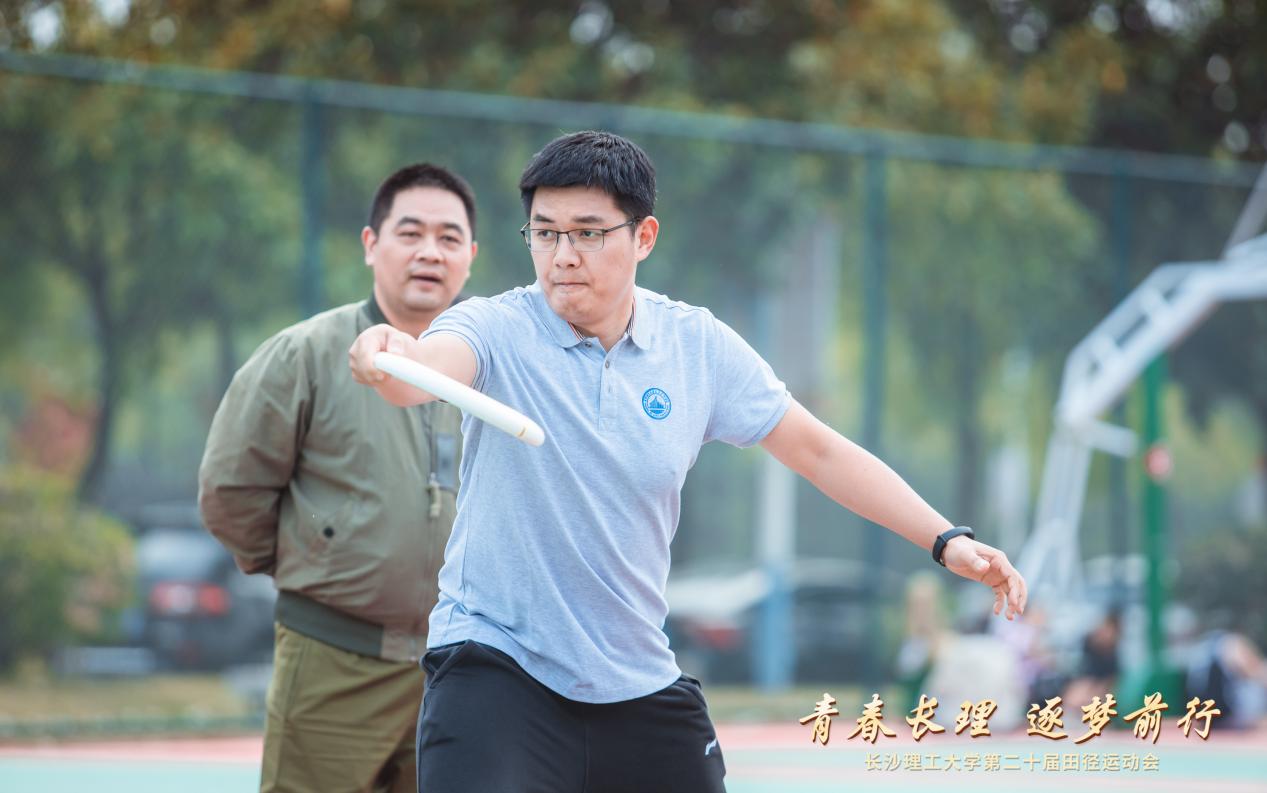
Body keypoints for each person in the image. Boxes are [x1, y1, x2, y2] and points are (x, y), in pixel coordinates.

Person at [348, 131, 1027, 793]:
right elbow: (422, 372)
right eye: (545, 233)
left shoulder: (696, 346)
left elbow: (818, 450)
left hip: (635, 677)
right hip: (496, 665)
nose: (562, 255)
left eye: (588, 233)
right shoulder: (494, 327)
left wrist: (945, 539)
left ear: (643, 236)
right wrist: (391, 355)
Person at [199, 162, 478, 793]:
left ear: (471, 256)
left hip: (460, 668)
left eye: (449, 237)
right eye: (410, 232)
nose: (430, 252)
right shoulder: (306, 354)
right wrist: (315, 560)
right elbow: (231, 489)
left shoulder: (497, 364)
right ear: (371, 244)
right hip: (332, 657)